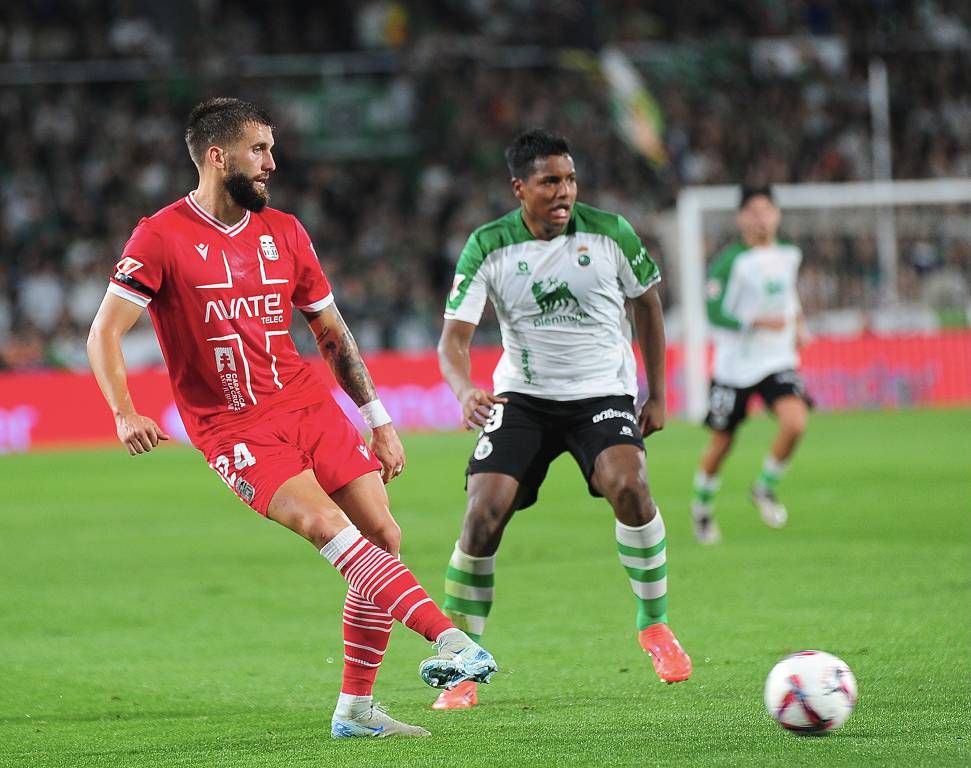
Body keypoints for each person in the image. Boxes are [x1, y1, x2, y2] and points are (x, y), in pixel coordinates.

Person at [86, 97, 497, 738]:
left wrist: (379, 419)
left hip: (306, 402)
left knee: (383, 537)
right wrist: (124, 412)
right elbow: (104, 333)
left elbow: (330, 331)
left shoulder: (285, 233)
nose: (273, 163)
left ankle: (355, 712)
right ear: (218, 157)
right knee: (329, 528)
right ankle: (450, 641)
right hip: (233, 426)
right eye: (260, 150)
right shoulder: (160, 236)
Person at [431, 129, 692, 710]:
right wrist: (463, 388)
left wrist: (658, 393)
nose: (564, 190)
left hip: (601, 391)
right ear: (520, 187)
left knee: (630, 485)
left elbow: (647, 305)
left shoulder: (611, 233)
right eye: (550, 180)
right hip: (522, 397)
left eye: (570, 179)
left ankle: (655, 625)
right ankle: (462, 663)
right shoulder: (488, 245)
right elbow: (453, 340)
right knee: (483, 513)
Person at [689, 184, 812, 545]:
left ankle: (764, 488)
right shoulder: (730, 262)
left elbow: (788, 295)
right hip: (735, 367)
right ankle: (702, 508)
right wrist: (756, 322)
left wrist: (800, 324)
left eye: (767, 210)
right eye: (753, 211)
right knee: (722, 443)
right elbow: (713, 312)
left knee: (796, 421)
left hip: (777, 359)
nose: (761, 218)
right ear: (741, 217)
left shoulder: (789, 255)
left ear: (777, 215)